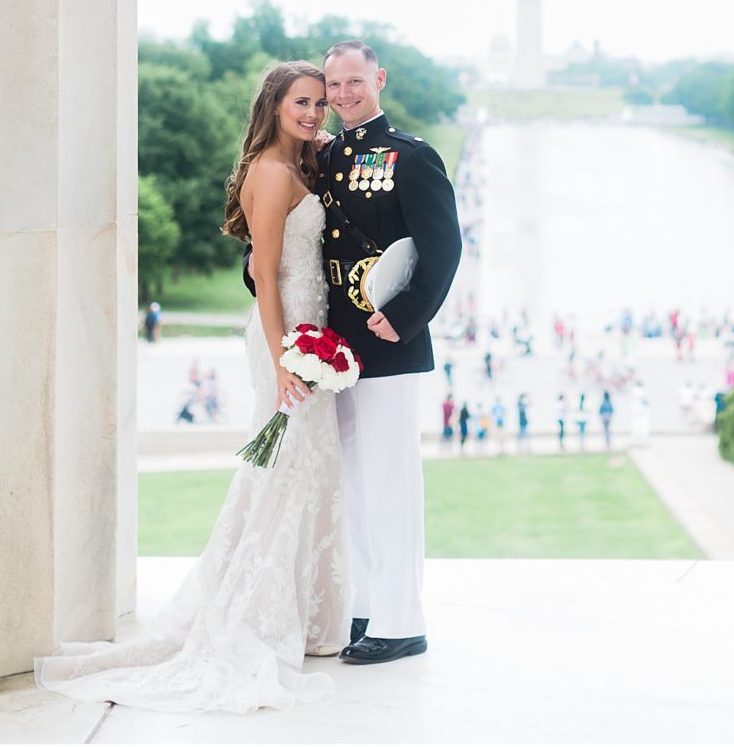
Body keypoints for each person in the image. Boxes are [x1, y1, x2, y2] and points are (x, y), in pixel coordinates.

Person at [38, 61, 349, 712]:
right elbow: (264, 274)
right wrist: (284, 357)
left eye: (319, 103)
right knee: (281, 468)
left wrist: (318, 146)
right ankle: (252, 612)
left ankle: (310, 613)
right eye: (302, 102)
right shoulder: (269, 170)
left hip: (310, 329)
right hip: (285, 334)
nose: (314, 112)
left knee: (302, 468)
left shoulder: (298, 163)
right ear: (273, 104)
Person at [244, 40, 461, 666]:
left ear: (378, 80)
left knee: (392, 480)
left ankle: (402, 619)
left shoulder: (411, 157)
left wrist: (403, 316)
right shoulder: (324, 156)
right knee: (354, 480)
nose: (341, 95)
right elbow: (295, 239)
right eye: (332, 86)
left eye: (353, 83)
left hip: (388, 343)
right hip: (331, 345)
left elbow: (443, 249)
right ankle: (366, 605)